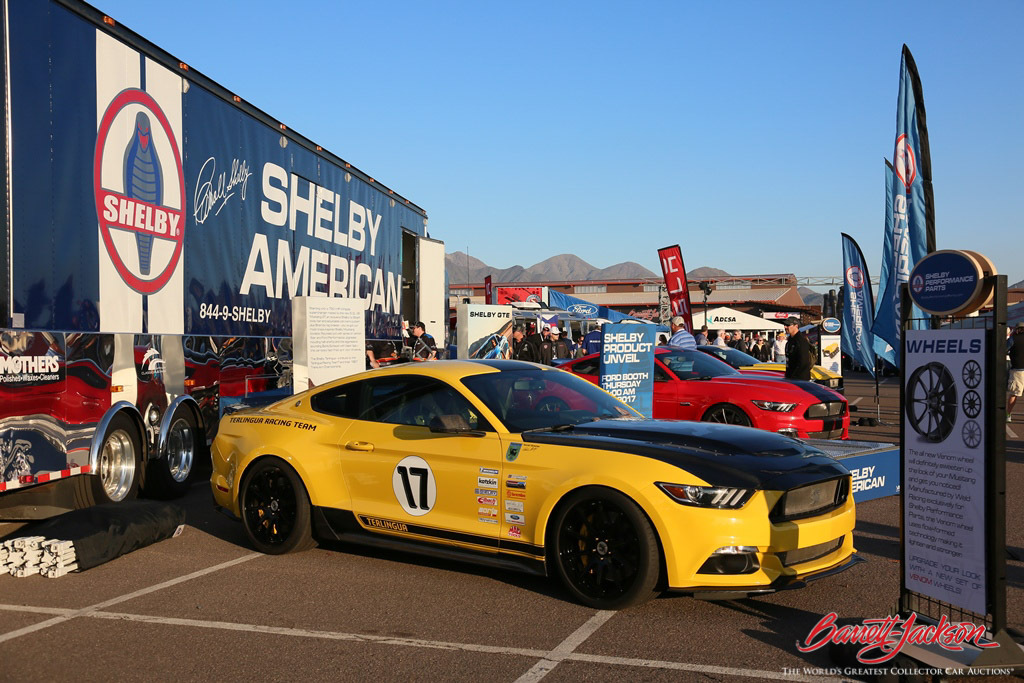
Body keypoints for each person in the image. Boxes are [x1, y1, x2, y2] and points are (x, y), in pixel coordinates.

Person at [1008, 322, 1024, 421]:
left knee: (1014, 393)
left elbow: (1003, 348)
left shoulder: (1013, 339)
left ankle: (1008, 414)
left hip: (1017, 369)